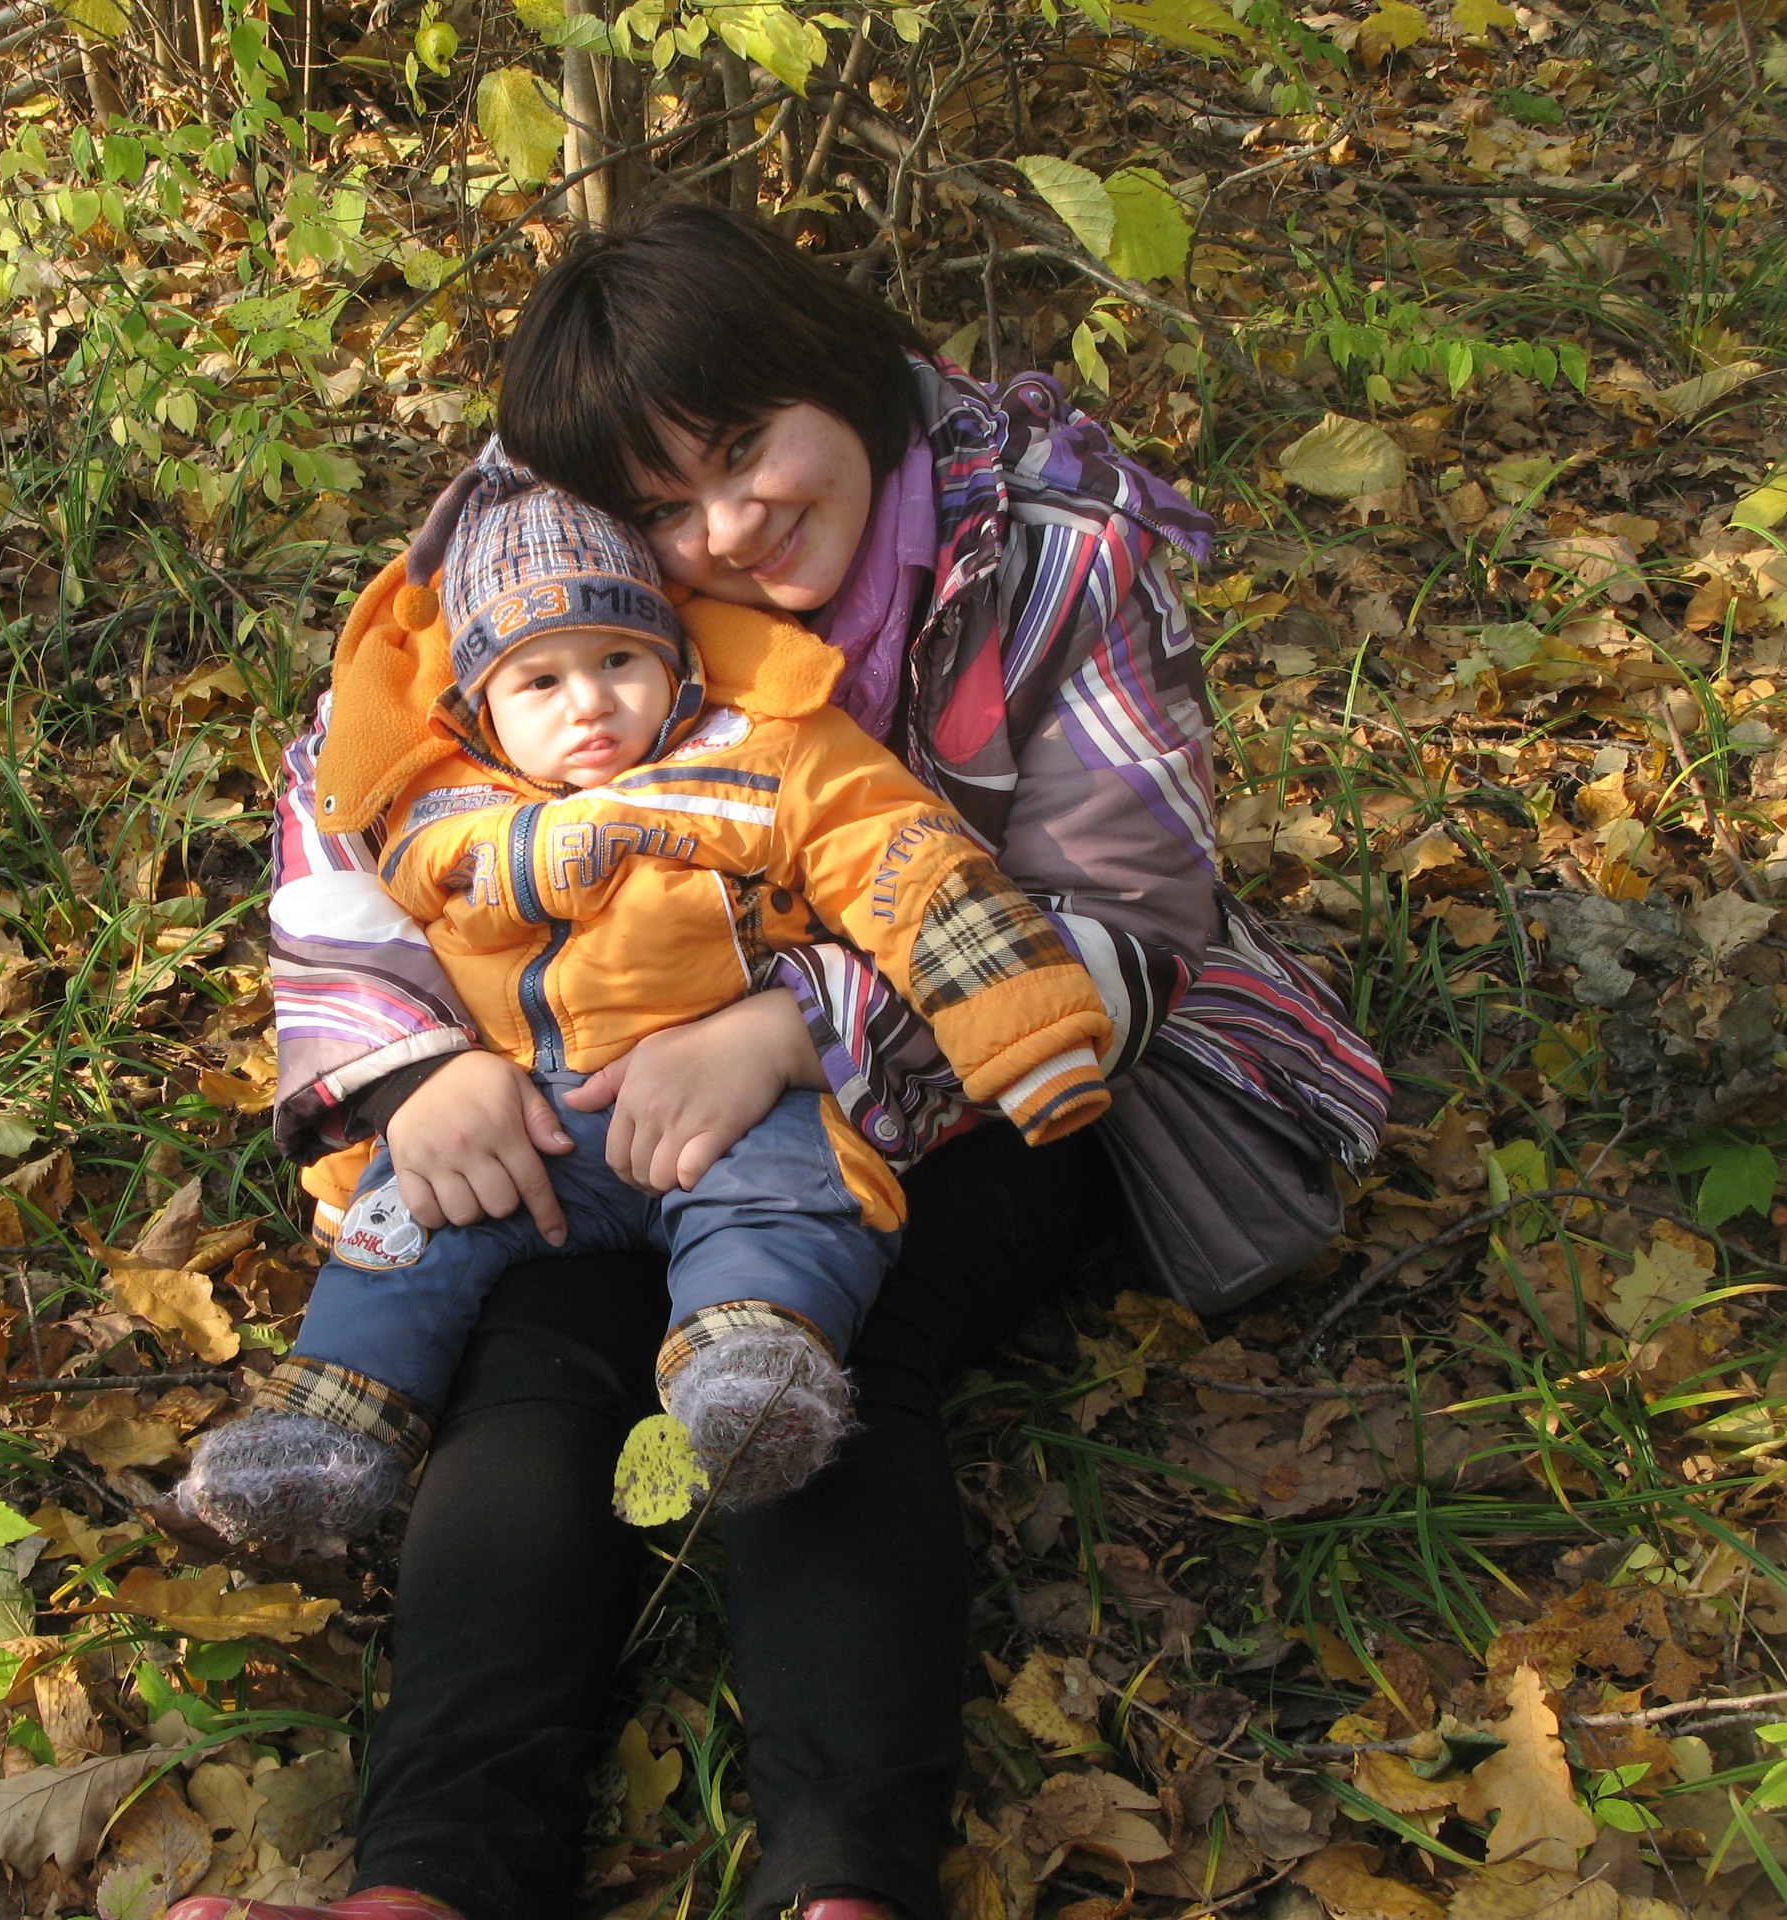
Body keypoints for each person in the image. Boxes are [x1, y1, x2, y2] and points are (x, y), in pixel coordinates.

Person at [176, 202, 1388, 1920]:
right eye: (666, 508)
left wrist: (789, 1030)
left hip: (1005, 1069)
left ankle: (840, 1881)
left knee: (827, 1346)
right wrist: (415, 1071)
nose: (725, 528)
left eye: (748, 450)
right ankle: (429, 1885)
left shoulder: (1053, 550)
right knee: (540, 1344)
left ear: (842, 368)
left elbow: (1133, 924)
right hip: (606, 1065)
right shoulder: (541, 528)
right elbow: (354, 796)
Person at [181, 458, 1115, 1546]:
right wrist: (407, 1082)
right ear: (477, 710)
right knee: (410, 1228)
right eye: (539, 681)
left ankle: (750, 1370)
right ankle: (328, 1429)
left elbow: (906, 860)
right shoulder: (430, 802)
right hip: (521, 1124)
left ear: (675, 660)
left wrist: (1030, 1032)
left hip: (725, 1107)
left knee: (787, 1200)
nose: (588, 702)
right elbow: (341, 923)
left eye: (618, 659)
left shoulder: (762, 752)